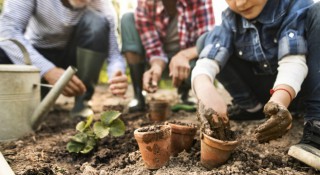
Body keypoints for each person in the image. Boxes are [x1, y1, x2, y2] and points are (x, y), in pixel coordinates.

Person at [192, 0, 320, 170]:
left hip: (301, 88)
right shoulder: (230, 19)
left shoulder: (294, 6)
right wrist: (205, 89)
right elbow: (207, 61)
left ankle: (317, 123)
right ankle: (251, 108)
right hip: (266, 94)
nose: (241, 3)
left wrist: (280, 99)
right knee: (205, 41)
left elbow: (293, 61)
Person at [0, 0, 128, 118]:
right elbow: (8, 31)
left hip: (72, 60)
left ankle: (82, 102)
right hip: (37, 55)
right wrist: (47, 70)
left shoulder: (103, 5)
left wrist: (117, 73)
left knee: (97, 22)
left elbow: (114, 54)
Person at [120, 0, 215, 112]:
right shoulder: (145, 2)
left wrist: (184, 56)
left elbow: (207, 42)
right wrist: (157, 66)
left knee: (205, 58)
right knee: (128, 19)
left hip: (188, 64)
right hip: (154, 62)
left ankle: (184, 93)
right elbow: (153, 48)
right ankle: (138, 94)